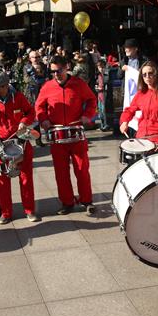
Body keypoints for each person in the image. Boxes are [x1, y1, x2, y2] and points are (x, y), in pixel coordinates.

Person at [35, 55, 97, 215]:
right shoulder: (47, 87)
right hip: (57, 137)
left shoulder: (78, 84)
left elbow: (92, 100)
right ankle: (67, 202)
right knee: (61, 172)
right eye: (53, 71)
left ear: (67, 67)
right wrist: (44, 120)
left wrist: (87, 115)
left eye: (59, 70)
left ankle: (87, 201)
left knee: (82, 169)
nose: (56, 74)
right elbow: (39, 106)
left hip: (76, 133)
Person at [0, 72, 40, 224]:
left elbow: (31, 112)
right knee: (2, 181)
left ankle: (30, 211)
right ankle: (5, 213)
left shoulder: (18, 97)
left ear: (6, 86)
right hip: (0, 145)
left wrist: (24, 121)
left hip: (21, 142)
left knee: (26, 179)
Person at [120, 60, 158, 139]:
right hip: (141, 136)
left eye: (150, 73)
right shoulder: (141, 94)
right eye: (144, 74)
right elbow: (130, 110)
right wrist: (125, 121)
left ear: (156, 75)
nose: (147, 76)